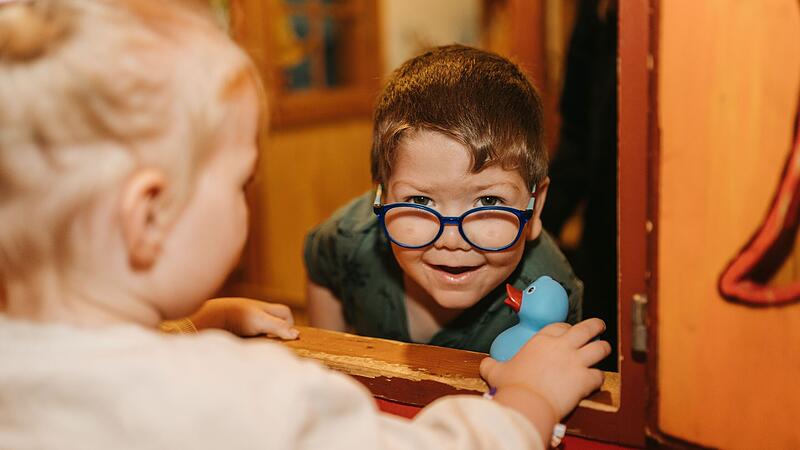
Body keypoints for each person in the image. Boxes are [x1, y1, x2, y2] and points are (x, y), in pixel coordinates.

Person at [0, 1, 610, 449]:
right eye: (243, 181)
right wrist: (530, 399)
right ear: (147, 217)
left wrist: (184, 330)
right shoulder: (248, 399)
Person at [305, 45, 583, 352]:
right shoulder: (350, 236)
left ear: (536, 205)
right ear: (381, 197)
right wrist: (330, 354)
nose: (452, 240)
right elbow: (321, 262)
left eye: (488, 201)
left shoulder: (552, 293)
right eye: (421, 201)